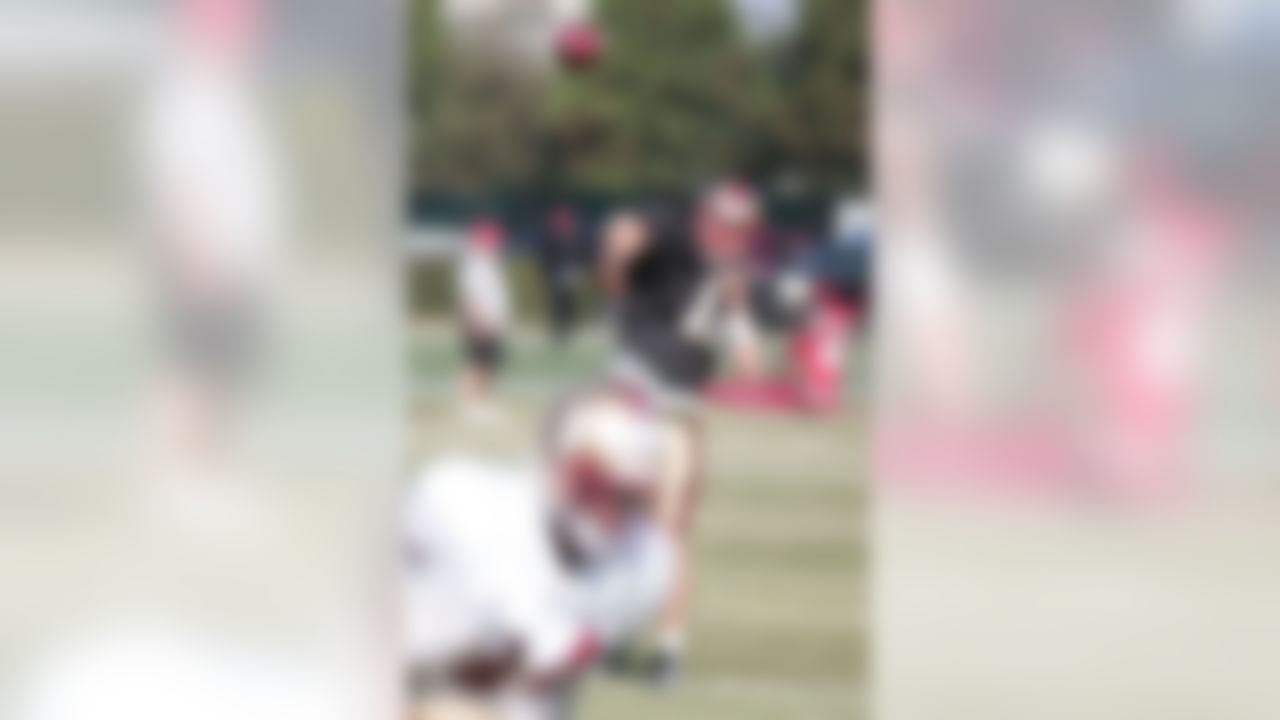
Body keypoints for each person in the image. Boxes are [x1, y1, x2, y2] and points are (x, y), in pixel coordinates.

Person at [402, 393, 674, 720]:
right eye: (596, 488)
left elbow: (537, 680)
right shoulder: (463, 503)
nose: (610, 514)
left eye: (626, 498)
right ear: (554, 463)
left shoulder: (642, 563)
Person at [598, 181, 762, 685]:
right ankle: (617, 634)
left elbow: (745, 353)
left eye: (742, 225)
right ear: (706, 215)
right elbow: (624, 232)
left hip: (680, 406)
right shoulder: (675, 234)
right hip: (637, 395)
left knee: (671, 532)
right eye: (725, 221)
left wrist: (740, 326)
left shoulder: (730, 272)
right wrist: (618, 262)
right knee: (618, 522)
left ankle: (668, 649)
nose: (732, 232)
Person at [456, 219, 512, 422]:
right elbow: (473, 298)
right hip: (481, 323)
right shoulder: (475, 265)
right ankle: (470, 404)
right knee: (476, 364)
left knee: (488, 364)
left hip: (493, 323)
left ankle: (484, 402)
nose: (495, 246)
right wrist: (478, 322)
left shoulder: (489, 264)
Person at [537, 205, 587, 345]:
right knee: (557, 302)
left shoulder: (575, 235)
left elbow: (581, 252)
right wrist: (547, 273)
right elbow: (545, 256)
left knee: (570, 302)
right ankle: (559, 330)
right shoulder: (550, 236)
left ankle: (568, 329)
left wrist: (579, 268)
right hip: (556, 272)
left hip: (570, 270)